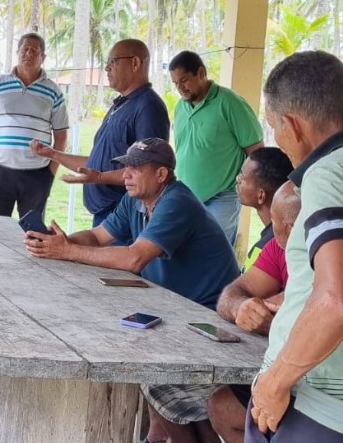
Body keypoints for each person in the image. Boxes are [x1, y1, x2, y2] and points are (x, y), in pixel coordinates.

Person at [25, 138, 238, 443]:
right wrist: (57, 242)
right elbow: (98, 237)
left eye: (135, 169)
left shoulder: (176, 202)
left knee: (154, 375)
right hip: (174, 309)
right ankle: (156, 437)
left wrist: (66, 251)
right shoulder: (135, 200)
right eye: (125, 167)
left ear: (161, 174)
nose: (126, 174)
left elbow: (134, 258)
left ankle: (164, 438)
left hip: (208, 320)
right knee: (145, 362)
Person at [247, 51, 343, 442]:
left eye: (273, 127)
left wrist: (274, 383)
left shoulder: (326, 173)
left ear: (292, 124)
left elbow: (335, 299)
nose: (277, 140)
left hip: (313, 405)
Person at [30, 39, 170, 226]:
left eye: (113, 61)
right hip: (106, 215)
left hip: (126, 217)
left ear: (135, 63)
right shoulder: (120, 106)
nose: (107, 68)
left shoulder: (148, 107)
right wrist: (53, 154)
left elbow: (148, 172)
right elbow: (96, 165)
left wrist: (100, 178)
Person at [208, 181, 300, 443]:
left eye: (275, 221)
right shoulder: (276, 248)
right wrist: (241, 307)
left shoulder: (325, 255)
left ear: (291, 227)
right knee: (221, 406)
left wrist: (277, 320)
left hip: (317, 383)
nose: (271, 229)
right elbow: (233, 292)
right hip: (274, 366)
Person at [169, 50, 264, 245]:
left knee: (215, 252)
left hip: (224, 196)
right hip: (187, 196)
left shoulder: (230, 103)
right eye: (175, 83)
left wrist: (250, 187)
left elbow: (256, 151)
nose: (180, 87)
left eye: (184, 80)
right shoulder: (180, 107)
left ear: (201, 73)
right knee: (186, 252)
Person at [0, 33, 68, 219]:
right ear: (17, 52)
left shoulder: (53, 91)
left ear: (43, 57)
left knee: (32, 234)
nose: (28, 54)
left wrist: (50, 172)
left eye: (34, 51)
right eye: (25, 49)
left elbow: (61, 135)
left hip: (38, 174)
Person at [236, 148, 293, 271]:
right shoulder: (286, 234)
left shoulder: (269, 247)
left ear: (261, 195)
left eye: (243, 176)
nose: (237, 179)